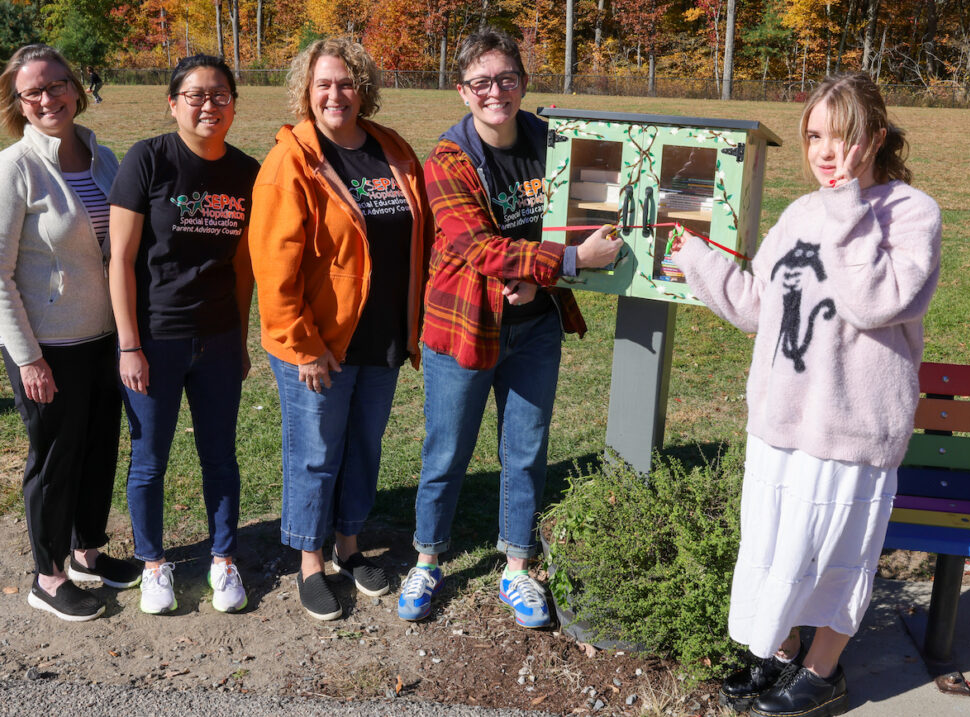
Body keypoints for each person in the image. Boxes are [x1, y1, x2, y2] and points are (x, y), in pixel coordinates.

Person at [669, 73, 941, 717]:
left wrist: (848, 203)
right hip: (781, 424)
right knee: (773, 548)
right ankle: (784, 653)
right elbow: (758, 307)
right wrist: (698, 258)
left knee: (838, 556)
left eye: (840, 136)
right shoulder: (800, 212)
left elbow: (875, 302)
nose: (824, 152)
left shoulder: (911, 213)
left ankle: (823, 672)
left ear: (874, 138)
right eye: (814, 135)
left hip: (851, 428)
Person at [396, 28, 622, 628]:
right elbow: (479, 248)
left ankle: (517, 567)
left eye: (506, 79)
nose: (495, 92)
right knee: (447, 449)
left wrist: (541, 280)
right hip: (465, 323)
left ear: (522, 81)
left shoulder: (553, 143)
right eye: (481, 83)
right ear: (463, 91)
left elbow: (585, 212)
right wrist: (566, 265)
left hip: (535, 326)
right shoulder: (447, 160)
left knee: (526, 449)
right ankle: (427, 558)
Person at [248, 38, 431, 621]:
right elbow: (274, 265)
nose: (335, 94)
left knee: (363, 445)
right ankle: (309, 561)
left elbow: (419, 234)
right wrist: (304, 346)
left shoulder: (392, 148)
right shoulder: (293, 160)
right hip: (318, 344)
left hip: (380, 337)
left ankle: (349, 546)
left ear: (364, 90)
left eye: (347, 83)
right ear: (307, 88)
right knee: (315, 453)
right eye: (324, 83)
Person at [0, 44, 140, 622]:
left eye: (57, 84)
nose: (49, 99)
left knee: (98, 451)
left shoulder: (105, 157)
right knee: (55, 459)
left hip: (102, 339)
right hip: (47, 348)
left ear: (77, 87)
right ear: (17, 103)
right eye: (33, 91)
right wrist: (28, 358)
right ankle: (48, 576)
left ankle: (88, 552)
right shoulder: (11, 169)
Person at [108, 54, 259, 615]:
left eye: (219, 95)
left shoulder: (247, 171)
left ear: (234, 105)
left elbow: (244, 268)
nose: (208, 106)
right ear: (172, 103)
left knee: (220, 455)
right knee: (150, 458)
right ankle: (153, 564)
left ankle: (224, 559)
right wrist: (129, 344)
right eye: (194, 95)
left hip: (218, 338)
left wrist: (241, 339)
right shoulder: (148, 159)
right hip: (156, 339)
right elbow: (120, 259)